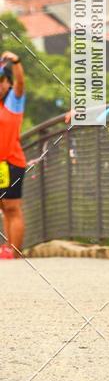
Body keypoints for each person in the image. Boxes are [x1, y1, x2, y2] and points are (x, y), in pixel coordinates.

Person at [0, 51, 27, 259]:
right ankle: (8, 247)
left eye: (2, 81)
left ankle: (14, 251)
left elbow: (20, 83)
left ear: (8, 84)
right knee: (3, 207)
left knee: (12, 207)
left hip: (11, 162)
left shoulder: (13, 102)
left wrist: (15, 62)